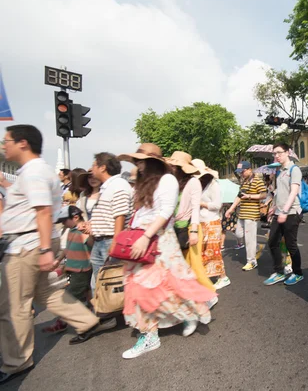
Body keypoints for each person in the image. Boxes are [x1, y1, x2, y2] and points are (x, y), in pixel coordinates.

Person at [0, 125, 102, 384]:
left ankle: (17, 360)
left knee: (15, 306)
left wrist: (45, 249)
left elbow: (43, 211)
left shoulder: (34, 172)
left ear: (22, 143)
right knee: (47, 293)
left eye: (7, 141)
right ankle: (86, 320)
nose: (4, 146)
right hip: (33, 243)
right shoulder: (37, 171)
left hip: (28, 245)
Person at [117, 143, 217, 359]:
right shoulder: (144, 183)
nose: (137, 165)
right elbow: (142, 213)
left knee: (167, 285)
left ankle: (167, 325)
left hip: (159, 241)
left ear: (152, 162)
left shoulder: (168, 180)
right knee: (143, 289)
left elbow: (165, 212)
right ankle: (155, 330)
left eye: (140, 161)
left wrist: (145, 237)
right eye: (136, 161)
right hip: (143, 240)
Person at [167, 153, 215, 293]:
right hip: (175, 227)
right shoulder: (175, 182)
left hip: (189, 228)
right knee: (179, 266)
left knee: (195, 267)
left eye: (174, 166)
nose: (171, 168)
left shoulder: (193, 182)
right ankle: (188, 295)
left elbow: (195, 208)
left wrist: (193, 231)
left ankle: (208, 295)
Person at [42, 205, 94, 334]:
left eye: (65, 220)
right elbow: (67, 249)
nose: (63, 224)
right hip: (73, 268)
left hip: (81, 269)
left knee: (69, 298)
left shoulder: (83, 230)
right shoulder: (72, 230)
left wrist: (90, 232)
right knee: (86, 293)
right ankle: (93, 314)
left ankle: (63, 322)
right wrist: (58, 261)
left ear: (75, 217)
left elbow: (92, 245)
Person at [89, 152, 133, 293]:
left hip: (110, 241)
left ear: (102, 167)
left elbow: (120, 215)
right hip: (100, 241)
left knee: (114, 287)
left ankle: (118, 315)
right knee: (101, 286)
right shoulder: (107, 186)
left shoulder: (118, 185)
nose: (91, 169)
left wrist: (115, 242)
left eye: (94, 165)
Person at [264, 143, 304, 286]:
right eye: (274, 153)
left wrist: (285, 211)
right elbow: (280, 193)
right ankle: (279, 272)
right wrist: (274, 208)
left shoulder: (294, 169)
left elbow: (293, 192)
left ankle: (298, 272)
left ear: (288, 152)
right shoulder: (280, 171)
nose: (276, 156)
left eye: (279, 153)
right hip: (279, 212)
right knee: (272, 242)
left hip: (291, 212)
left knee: (290, 244)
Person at [225, 161, 267, 271]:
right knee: (238, 234)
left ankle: (251, 261)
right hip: (242, 213)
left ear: (249, 169)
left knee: (249, 239)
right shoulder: (244, 181)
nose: (241, 174)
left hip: (252, 214)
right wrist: (231, 209)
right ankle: (257, 247)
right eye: (240, 172)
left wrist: (249, 196)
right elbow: (238, 196)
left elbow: (264, 194)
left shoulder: (257, 180)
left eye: (242, 172)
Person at [196, 162, 229, 289]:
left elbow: (217, 205)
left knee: (214, 251)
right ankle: (206, 276)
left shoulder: (214, 185)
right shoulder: (201, 185)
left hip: (212, 222)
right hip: (202, 222)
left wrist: (201, 203)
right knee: (204, 251)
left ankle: (223, 277)